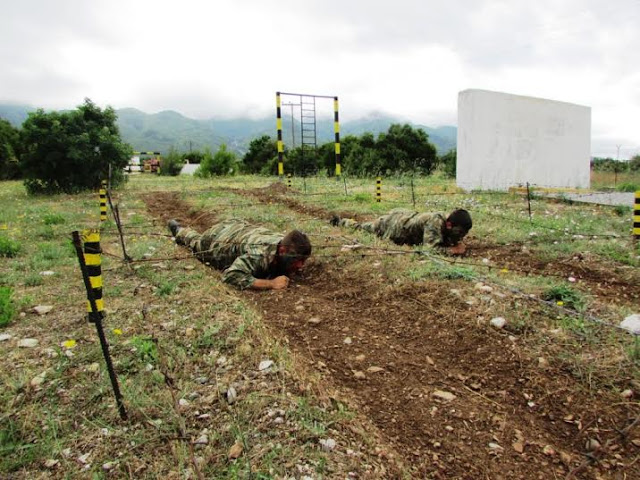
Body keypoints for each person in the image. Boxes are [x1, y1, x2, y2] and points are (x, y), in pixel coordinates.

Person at [168, 219, 311, 290]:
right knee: (196, 242)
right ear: (282, 251)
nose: (300, 265)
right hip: (217, 239)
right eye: (296, 260)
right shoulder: (259, 255)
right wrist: (271, 283)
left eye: (303, 260)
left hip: (238, 227)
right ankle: (179, 230)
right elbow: (231, 275)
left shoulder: (283, 243)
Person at [330, 208, 472, 255]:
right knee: (363, 227)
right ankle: (340, 221)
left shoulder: (447, 223)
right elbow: (429, 248)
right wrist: (453, 250)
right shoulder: (436, 222)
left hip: (403, 217)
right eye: (459, 233)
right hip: (392, 226)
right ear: (449, 224)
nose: (461, 237)